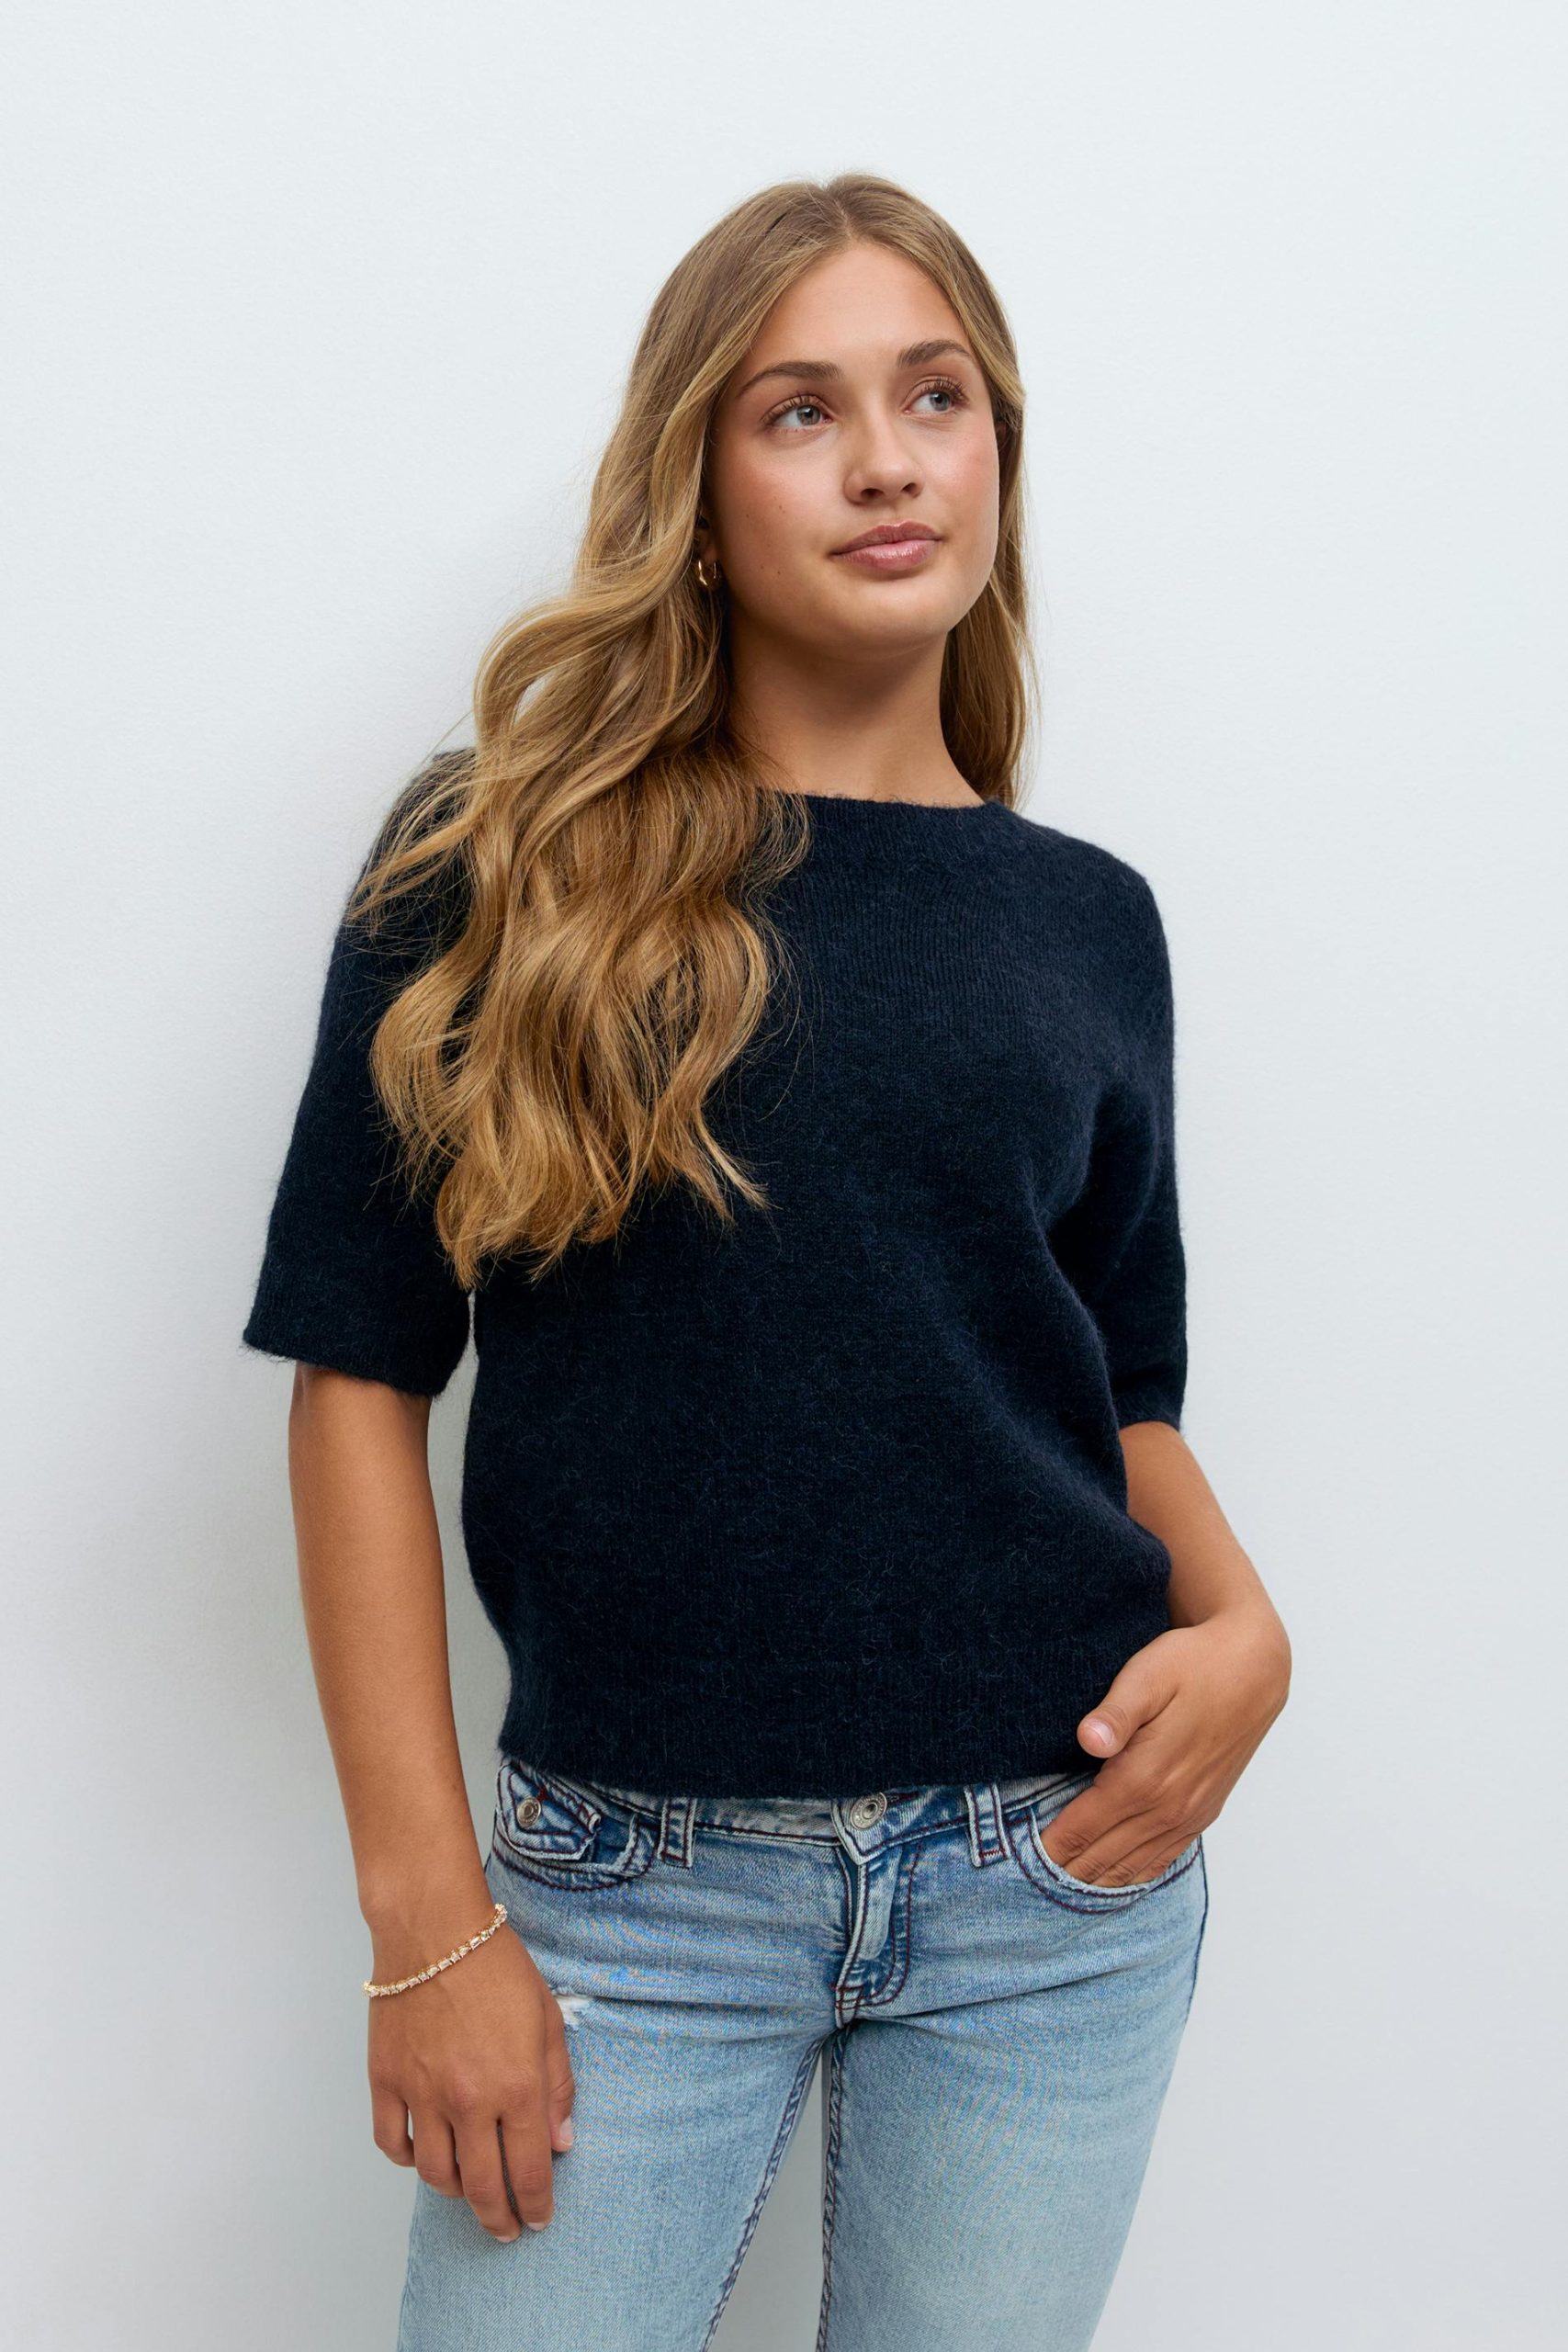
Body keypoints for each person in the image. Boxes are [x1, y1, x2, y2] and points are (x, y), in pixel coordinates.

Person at [241, 173, 1291, 2352]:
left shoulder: (1085, 919)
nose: (888, 460)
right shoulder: (496, 858)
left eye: (935, 395)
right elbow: (355, 1374)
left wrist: (1248, 1631)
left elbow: (1110, 1391)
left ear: (996, 446)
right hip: (630, 1897)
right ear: (698, 492)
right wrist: (427, 1918)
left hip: (1056, 1882)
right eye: (799, 410)